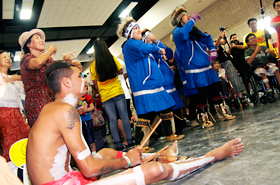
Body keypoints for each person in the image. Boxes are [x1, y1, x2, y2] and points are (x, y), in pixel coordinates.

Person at [26, 61, 244, 185]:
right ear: (66, 82)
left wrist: (126, 158)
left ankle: (160, 156)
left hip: (64, 180)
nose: (84, 80)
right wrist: (128, 162)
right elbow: (90, 170)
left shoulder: (54, 109)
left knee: (108, 152)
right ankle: (208, 158)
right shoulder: (65, 111)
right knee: (155, 171)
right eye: (79, 76)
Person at [117, 17, 184, 148]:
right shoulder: (130, 44)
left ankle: (170, 134)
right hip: (145, 87)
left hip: (154, 85)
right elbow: (145, 49)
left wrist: (159, 51)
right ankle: (141, 146)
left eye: (138, 28)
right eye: (135, 28)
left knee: (166, 108)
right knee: (145, 115)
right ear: (129, 33)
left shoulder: (139, 47)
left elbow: (152, 55)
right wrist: (157, 49)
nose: (138, 30)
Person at [171, 6, 235, 127]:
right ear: (180, 19)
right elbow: (184, 32)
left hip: (206, 67)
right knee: (202, 95)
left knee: (216, 90)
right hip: (194, 70)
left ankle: (222, 112)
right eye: (186, 15)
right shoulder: (177, 32)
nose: (189, 16)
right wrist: (193, 20)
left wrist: (212, 50)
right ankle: (203, 118)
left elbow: (207, 38)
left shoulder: (194, 31)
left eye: (189, 14)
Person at [90, 39, 134, 151]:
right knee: (124, 116)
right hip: (118, 91)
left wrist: (101, 91)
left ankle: (119, 144)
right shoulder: (112, 58)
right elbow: (120, 70)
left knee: (112, 119)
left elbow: (94, 82)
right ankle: (129, 141)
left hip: (105, 95)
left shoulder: (93, 65)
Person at [141, 29, 186, 133]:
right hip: (161, 86)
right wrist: (156, 48)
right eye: (149, 38)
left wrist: (157, 42)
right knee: (167, 110)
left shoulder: (158, 46)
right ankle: (170, 131)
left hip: (170, 83)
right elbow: (158, 54)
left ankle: (179, 126)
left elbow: (170, 54)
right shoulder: (147, 52)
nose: (152, 39)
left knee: (177, 107)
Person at [18, 28, 57, 127]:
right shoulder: (26, 59)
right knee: (44, 132)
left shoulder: (48, 60)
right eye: (37, 38)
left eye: (41, 38)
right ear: (28, 44)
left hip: (51, 99)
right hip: (36, 102)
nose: (41, 40)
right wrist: (50, 50)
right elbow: (38, 63)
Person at [0, 50, 30, 162]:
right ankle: (11, 171)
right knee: (10, 141)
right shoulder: (9, 78)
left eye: (9, 57)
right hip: (4, 113)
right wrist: (17, 77)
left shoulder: (14, 81)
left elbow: (23, 94)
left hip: (18, 113)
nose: (8, 58)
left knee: (25, 139)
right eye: (4, 57)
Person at [245, 33, 280, 103]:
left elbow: (273, 55)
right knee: (262, 71)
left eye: (254, 37)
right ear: (248, 43)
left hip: (267, 65)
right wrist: (256, 51)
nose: (253, 39)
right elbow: (248, 62)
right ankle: (268, 90)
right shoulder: (247, 52)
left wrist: (270, 51)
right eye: (251, 39)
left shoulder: (263, 47)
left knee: (275, 69)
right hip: (257, 68)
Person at [215, 31, 246, 107]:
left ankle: (240, 96)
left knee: (234, 78)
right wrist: (219, 37)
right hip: (218, 64)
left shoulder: (216, 41)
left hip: (227, 61)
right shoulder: (209, 46)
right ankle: (228, 97)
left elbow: (224, 42)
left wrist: (223, 35)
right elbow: (216, 46)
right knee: (224, 81)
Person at [72, 60, 97, 155]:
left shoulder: (86, 95)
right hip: (78, 121)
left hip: (87, 118)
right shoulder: (73, 98)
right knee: (82, 137)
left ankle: (94, 152)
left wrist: (86, 109)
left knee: (90, 136)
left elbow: (92, 106)